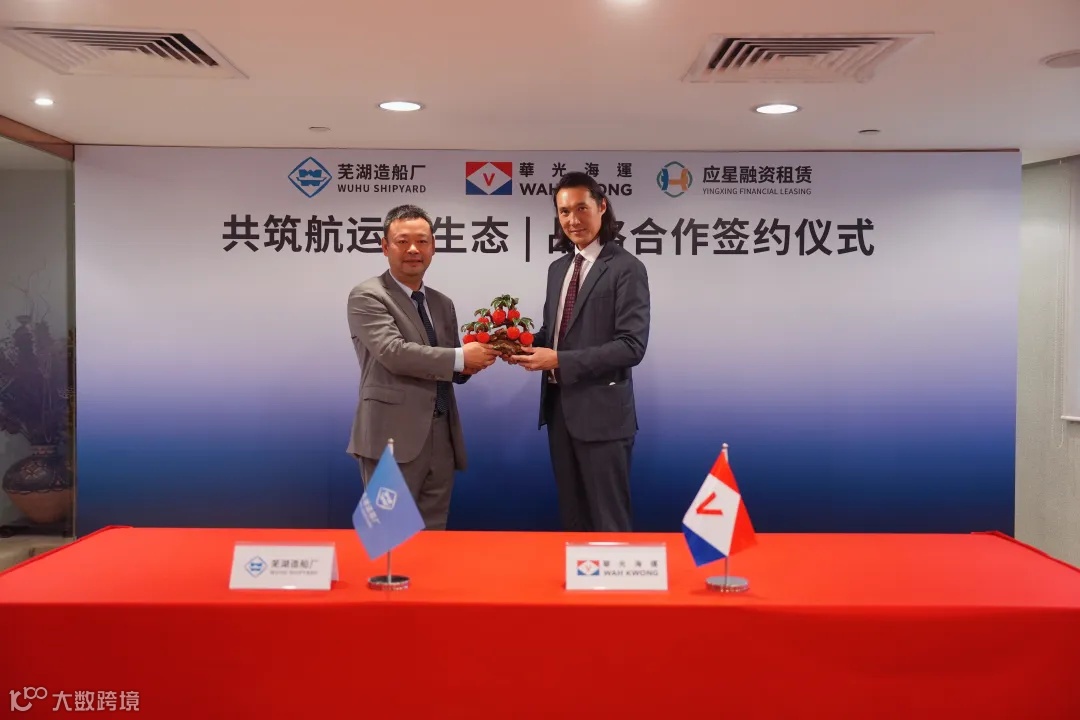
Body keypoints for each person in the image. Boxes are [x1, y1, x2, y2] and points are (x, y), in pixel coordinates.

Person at [510, 172, 651, 532]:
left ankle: (616, 573)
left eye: (581, 208)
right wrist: (516, 345)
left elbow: (631, 346)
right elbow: (554, 334)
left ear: (602, 206)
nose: (573, 220)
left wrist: (558, 360)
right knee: (573, 518)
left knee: (609, 520)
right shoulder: (558, 269)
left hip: (604, 416)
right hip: (559, 411)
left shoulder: (627, 268)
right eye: (564, 212)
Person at [347, 204, 497, 530]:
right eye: (402, 241)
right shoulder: (368, 296)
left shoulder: (442, 303)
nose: (413, 249)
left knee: (433, 535)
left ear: (433, 247)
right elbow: (393, 353)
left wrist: (481, 357)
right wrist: (461, 358)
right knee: (387, 535)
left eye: (422, 241)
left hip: (441, 436)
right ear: (385, 246)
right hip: (391, 435)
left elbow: (448, 364)